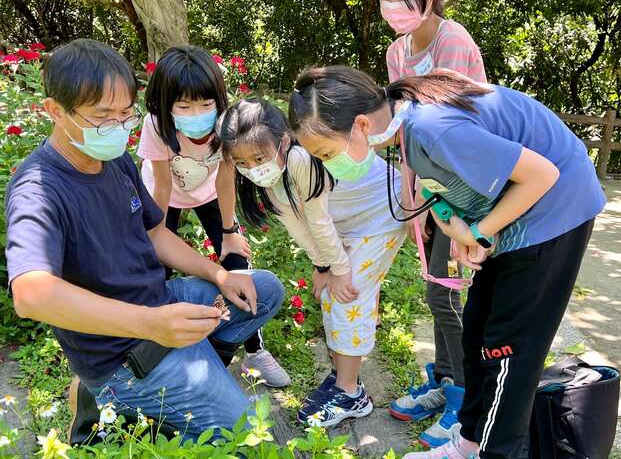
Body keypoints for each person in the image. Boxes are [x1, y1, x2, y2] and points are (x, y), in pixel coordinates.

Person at [288, 65, 605, 459]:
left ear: (361, 124)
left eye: (325, 153)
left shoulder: (431, 128)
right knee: (476, 333)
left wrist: (479, 233)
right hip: (520, 212)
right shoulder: (405, 122)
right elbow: (459, 180)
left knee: (509, 352)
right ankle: (469, 443)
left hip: (556, 212)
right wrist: (475, 231)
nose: (326, 164)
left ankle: (496, 452)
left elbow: (543, 174)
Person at [4, 39, 285, 442]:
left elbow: (154, 232)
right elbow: (31, 294)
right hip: (120, 354)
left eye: (124, 116)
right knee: (251, 440)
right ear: (55, 111)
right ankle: (117, 403)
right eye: (103, 117)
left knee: (264, 291)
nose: (118, 128)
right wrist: (151, 324)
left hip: (161, 304)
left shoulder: (114, 159)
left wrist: (219, 275)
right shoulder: (38, 188)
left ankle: (194, 370)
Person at [218, 98, 406, 427]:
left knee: (349, 295)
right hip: (345, 224)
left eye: (259, 158)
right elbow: (299, 226)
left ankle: (350, 393)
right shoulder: (272, 179)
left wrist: (340, 271)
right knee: (335, 294)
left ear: (284, 140)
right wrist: (323, 268)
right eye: (242, 163)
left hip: (381, 217)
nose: (252, 168)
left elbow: (318, 222)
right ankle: (344, 377)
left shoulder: (301, 158)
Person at [376, 0, 488, 447]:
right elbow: (403, 130)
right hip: (423, 186)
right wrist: (411, 197)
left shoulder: (455, 42)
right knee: (434, 291)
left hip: (460, 188)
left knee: (445, 295)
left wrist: (448, 206)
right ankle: (445, 380)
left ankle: (466, 397)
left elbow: (461, 125)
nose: (392, 4)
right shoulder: (396, 53)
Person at [138, 45, 289, 387]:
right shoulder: (157, 125)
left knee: (237, 261)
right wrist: (157, 235)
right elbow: (162, 185)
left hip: (208, 193)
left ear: (218, 100)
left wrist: (230, 228)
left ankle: (255, 348)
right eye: (184, 106)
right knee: (155, 266)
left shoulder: (226, 123)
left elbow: (225, 176)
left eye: (206, 104)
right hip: (166, 197)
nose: (197, 113)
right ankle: (155, 348)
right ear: (166, 104)